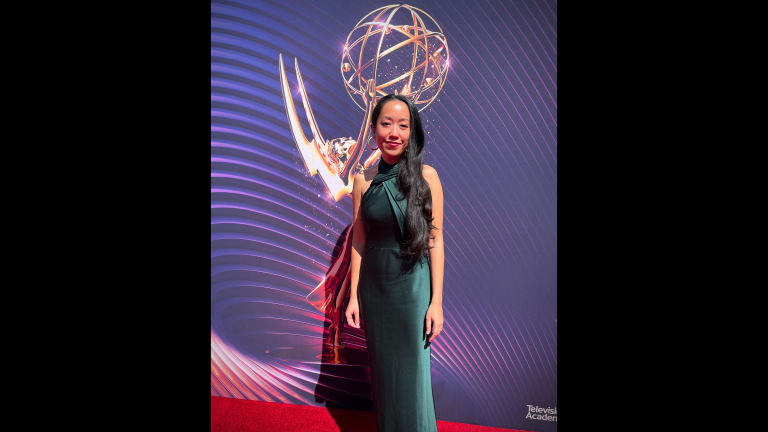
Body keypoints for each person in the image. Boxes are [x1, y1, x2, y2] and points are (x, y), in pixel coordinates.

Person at [345, 94, 444, 431]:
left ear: (411, 132)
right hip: (375, 291)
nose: (394, 132)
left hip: (413, 291)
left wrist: (436, 303)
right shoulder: (363, 181)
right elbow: (358, 240)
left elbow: (436, 241)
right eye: (386, 123)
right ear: (373, 129)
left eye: (403, 125)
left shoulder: (427, 176)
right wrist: (353, 295)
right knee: (385, 380)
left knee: (414, 376)